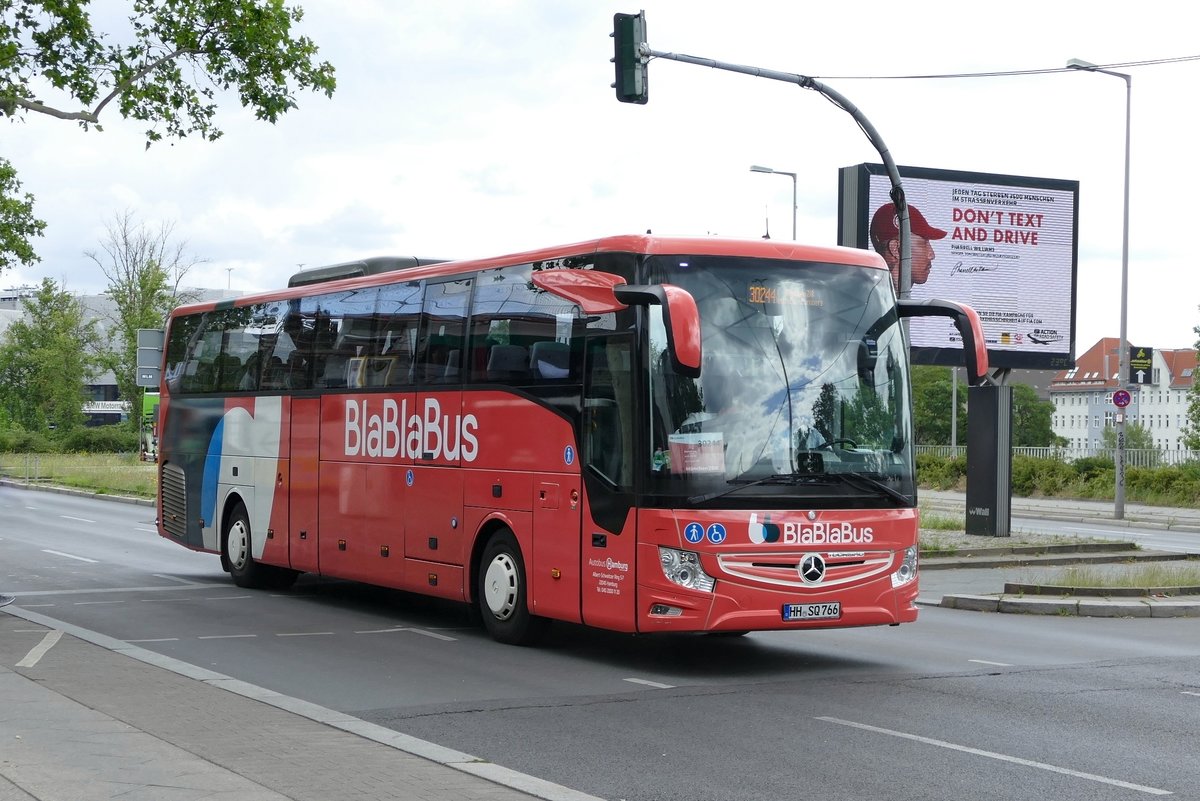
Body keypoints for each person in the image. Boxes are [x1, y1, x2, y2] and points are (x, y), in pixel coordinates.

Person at [869, 202, 947, 294]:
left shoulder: (873, 297)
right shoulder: (877, 304)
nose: (932, 255)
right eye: (923, 243)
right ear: (895, 249)